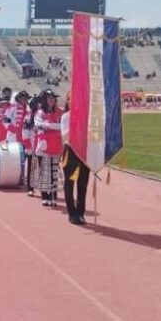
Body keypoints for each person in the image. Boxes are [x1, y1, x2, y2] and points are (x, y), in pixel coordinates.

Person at [60, 94, 89, 225]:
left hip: (83, 151)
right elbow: (65, 135)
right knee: (69, 183)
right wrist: (75, 122)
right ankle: (72, 213)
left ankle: (80, 212)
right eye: (70, 99)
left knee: (83, 183)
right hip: (71, 151)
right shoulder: (66, 117)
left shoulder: (85, 116)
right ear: (67, 102)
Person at [33, 89, 62, 206]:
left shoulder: (59, 112)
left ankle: (53, 196)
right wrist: (53, 126)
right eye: (49, 98)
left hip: (55, 145)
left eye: (53, 98)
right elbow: (38, 124)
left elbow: (63, 125)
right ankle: (45, 196)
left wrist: (49, 126)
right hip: (43, 146)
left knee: (54, 173)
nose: (52, 100)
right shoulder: (39, 113)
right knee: (44, 172)